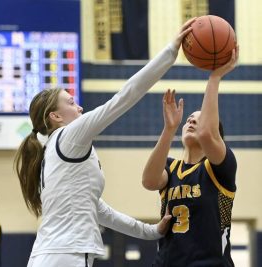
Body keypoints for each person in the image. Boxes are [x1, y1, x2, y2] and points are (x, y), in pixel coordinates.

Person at [14, 18, 196, 267]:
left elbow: (100, 211)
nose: (78, 107)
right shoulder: (69, 137)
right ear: (55, 117)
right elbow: (124, 97)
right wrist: (171, 51)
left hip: (51, 255)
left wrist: (150, 231)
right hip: (65, 256)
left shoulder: (53, 153)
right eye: (69, 102)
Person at [142, 47, 238, 267]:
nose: (192, 121)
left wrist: (215, 77)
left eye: (200, 118)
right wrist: (169, 129)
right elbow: (148, 181)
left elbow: (207, 133)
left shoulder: (221, 168)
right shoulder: (170, 168)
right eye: (189, 119)